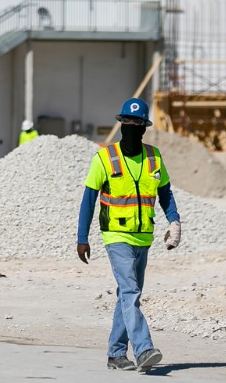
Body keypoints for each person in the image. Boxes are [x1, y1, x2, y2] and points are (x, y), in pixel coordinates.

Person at [76, 97, 181, 373]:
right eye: (127, 122)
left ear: (144, 127)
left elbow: (165, 193)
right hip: (115, 236)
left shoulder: (154, 156)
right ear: (121, 124)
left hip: (143, 237)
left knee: (127, 294)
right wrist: (82, 237)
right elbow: (88, 200)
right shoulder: (104, 158)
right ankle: (144, 348)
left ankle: (116, 354)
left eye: (137, 123)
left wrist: (175, 221)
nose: (131, 127)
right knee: (131, 292)